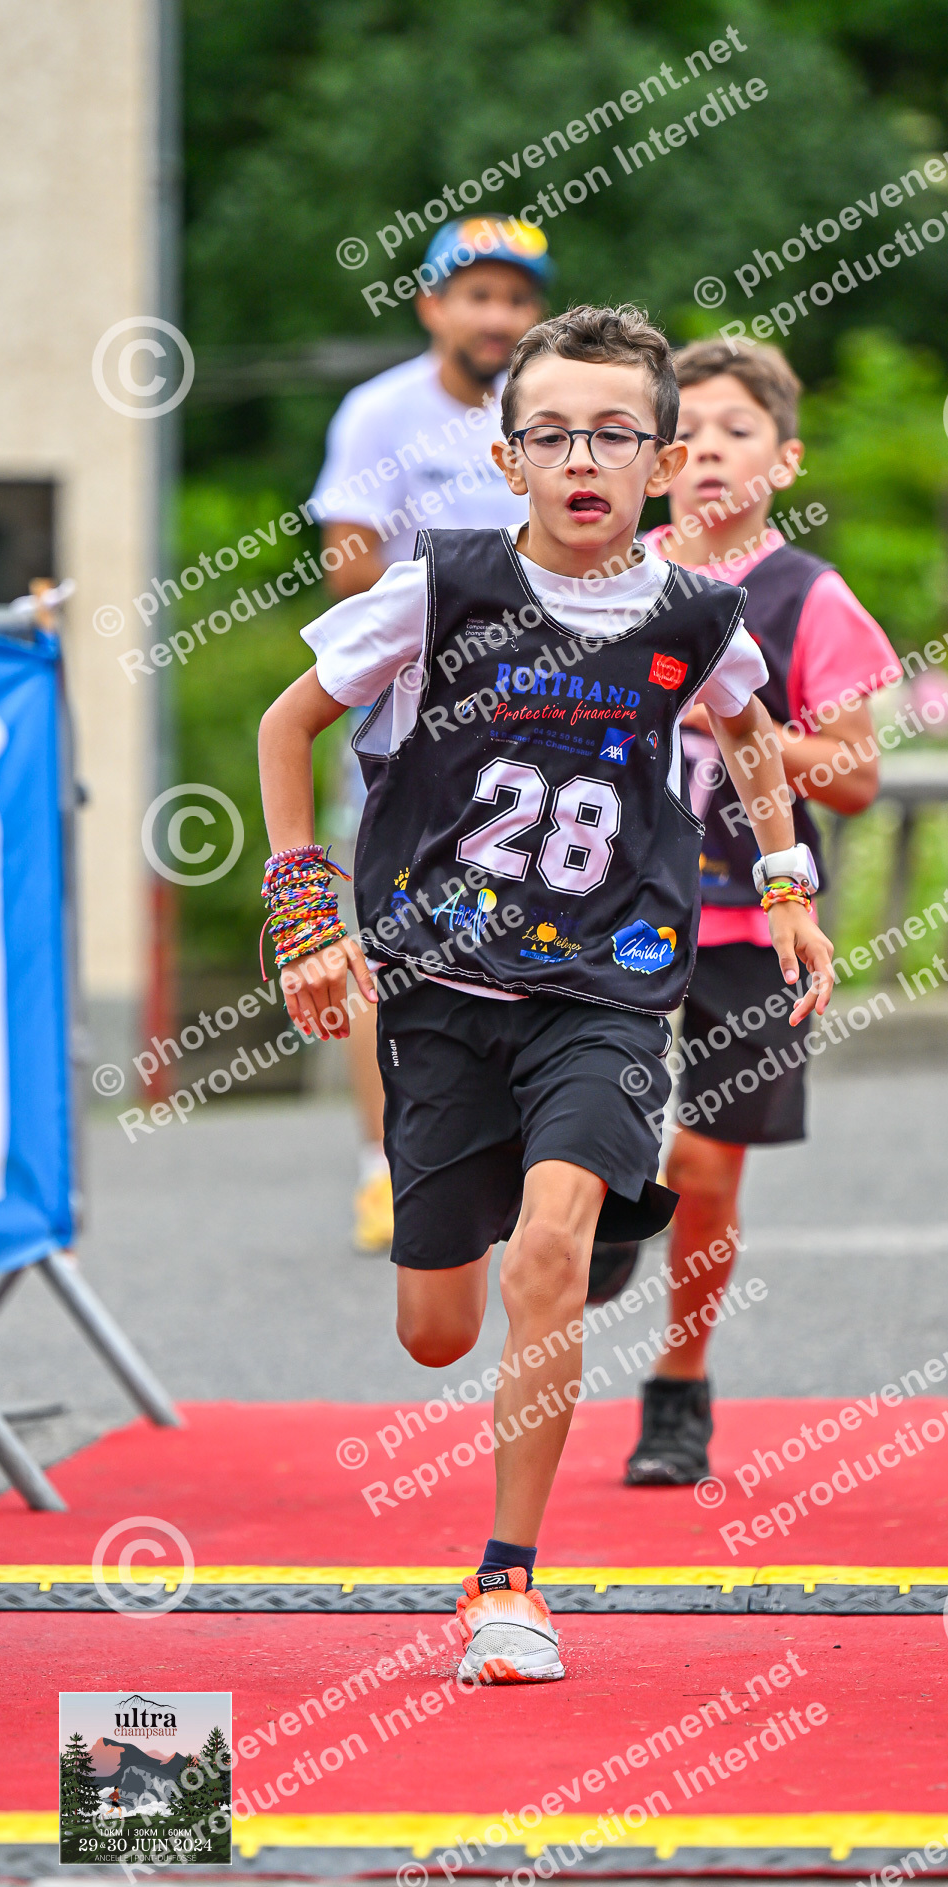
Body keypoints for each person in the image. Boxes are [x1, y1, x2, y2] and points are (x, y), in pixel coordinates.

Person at [258, 306, 836, 1682]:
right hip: (444, 985)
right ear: (506, 459)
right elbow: (287, 722)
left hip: (610, 984)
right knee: (434, 1331)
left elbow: (749, 731)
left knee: (551, 1257)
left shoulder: (694, 615)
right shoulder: (441, 588)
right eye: (553, 435)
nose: (583, 459)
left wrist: (786, 882)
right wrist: (304, 915)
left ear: (661, 460)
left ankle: (506, 1583)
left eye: (614, 434)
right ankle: (505, 1200)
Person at [616, 337, 901, 1488]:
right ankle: (595, 1221)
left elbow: (856, 775)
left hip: (751, 914)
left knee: (703, 1160)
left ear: (782, 461)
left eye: (737, 432)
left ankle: (678, 1383)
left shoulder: (806, 596)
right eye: (685, 433)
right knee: (578, 1124)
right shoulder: (608, 575)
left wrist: (738, 726)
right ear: (653, 458)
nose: (707, 453)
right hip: (612, 905)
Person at [310, 216, 550, 1252]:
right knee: (385, 947)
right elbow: (347, 564)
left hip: (538, 722)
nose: (497, 316)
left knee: (538, 928)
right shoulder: (382, 413)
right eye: (477, 295)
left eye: (516, 299)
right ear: (432, 307)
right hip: (407, 722)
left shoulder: (549, 413)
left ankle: (536, 1152)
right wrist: (467, 605)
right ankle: (383, 1168)